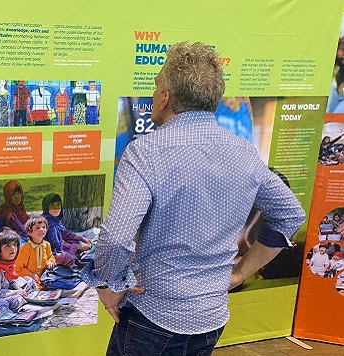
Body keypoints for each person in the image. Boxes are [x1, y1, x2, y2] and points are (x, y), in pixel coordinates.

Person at [80, 42, 305, 356]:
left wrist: (107, 286)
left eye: (157, 85)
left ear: (166, 97)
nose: (155, 93)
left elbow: (116, 239)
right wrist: (240, 273)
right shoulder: (242, 151)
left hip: (151, 316)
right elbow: (290, 215)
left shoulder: (145, 152)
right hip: (211, 317)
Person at [0, 230, 37, 303]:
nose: (13, 248)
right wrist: (16, 292)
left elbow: (12, 279)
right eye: (7, 246)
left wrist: (19, 289)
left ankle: (32, 298)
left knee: (29, 280)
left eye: (15, 244)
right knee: (17, 299)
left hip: (7, 290)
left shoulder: (8, 264)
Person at [42, 193, 91, 266]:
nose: (56, 208)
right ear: (46, 207)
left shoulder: (55, 221)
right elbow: (55, 246)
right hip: (50, 252)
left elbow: (65, 233)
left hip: (57, 246)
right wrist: (77, 247)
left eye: (58, 204)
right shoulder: (50, 225)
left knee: (76, 241)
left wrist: (82, 238)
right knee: (69, 257)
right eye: (52, 205)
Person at [15, 215, 56, 287]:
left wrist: (50, 261)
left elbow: (50, 256)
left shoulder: (47, 245)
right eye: (37, 228)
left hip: (44, 275)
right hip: (30, 276)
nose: (42, 229)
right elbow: (18, 268)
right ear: (29, 232)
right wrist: (31, 274)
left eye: (44, 227)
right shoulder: (26, 248)